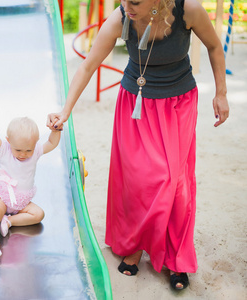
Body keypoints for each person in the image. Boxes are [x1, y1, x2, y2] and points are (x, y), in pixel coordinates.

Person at [47, 0, 229, 291]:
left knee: (174, 181)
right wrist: (65, 110)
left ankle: (175, 258)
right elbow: (88, 65)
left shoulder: (189, 10)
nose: (126, 5)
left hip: (178, 103)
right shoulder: (121, 18)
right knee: (137, 178)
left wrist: (221, 92)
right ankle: (136, 244)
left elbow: (215, 47)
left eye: (134, 1)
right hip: (136, 105)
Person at [0, 117, 61, 258]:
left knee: (38, 214)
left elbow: (51, 143)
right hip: (2, 195)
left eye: (28, 150)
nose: (23, 154)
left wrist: (56, 131)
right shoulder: (4, 149)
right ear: (9, 141)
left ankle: (9, 221)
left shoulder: (36, 151)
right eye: (18, 150)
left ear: (35, 145)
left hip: (21, 201)